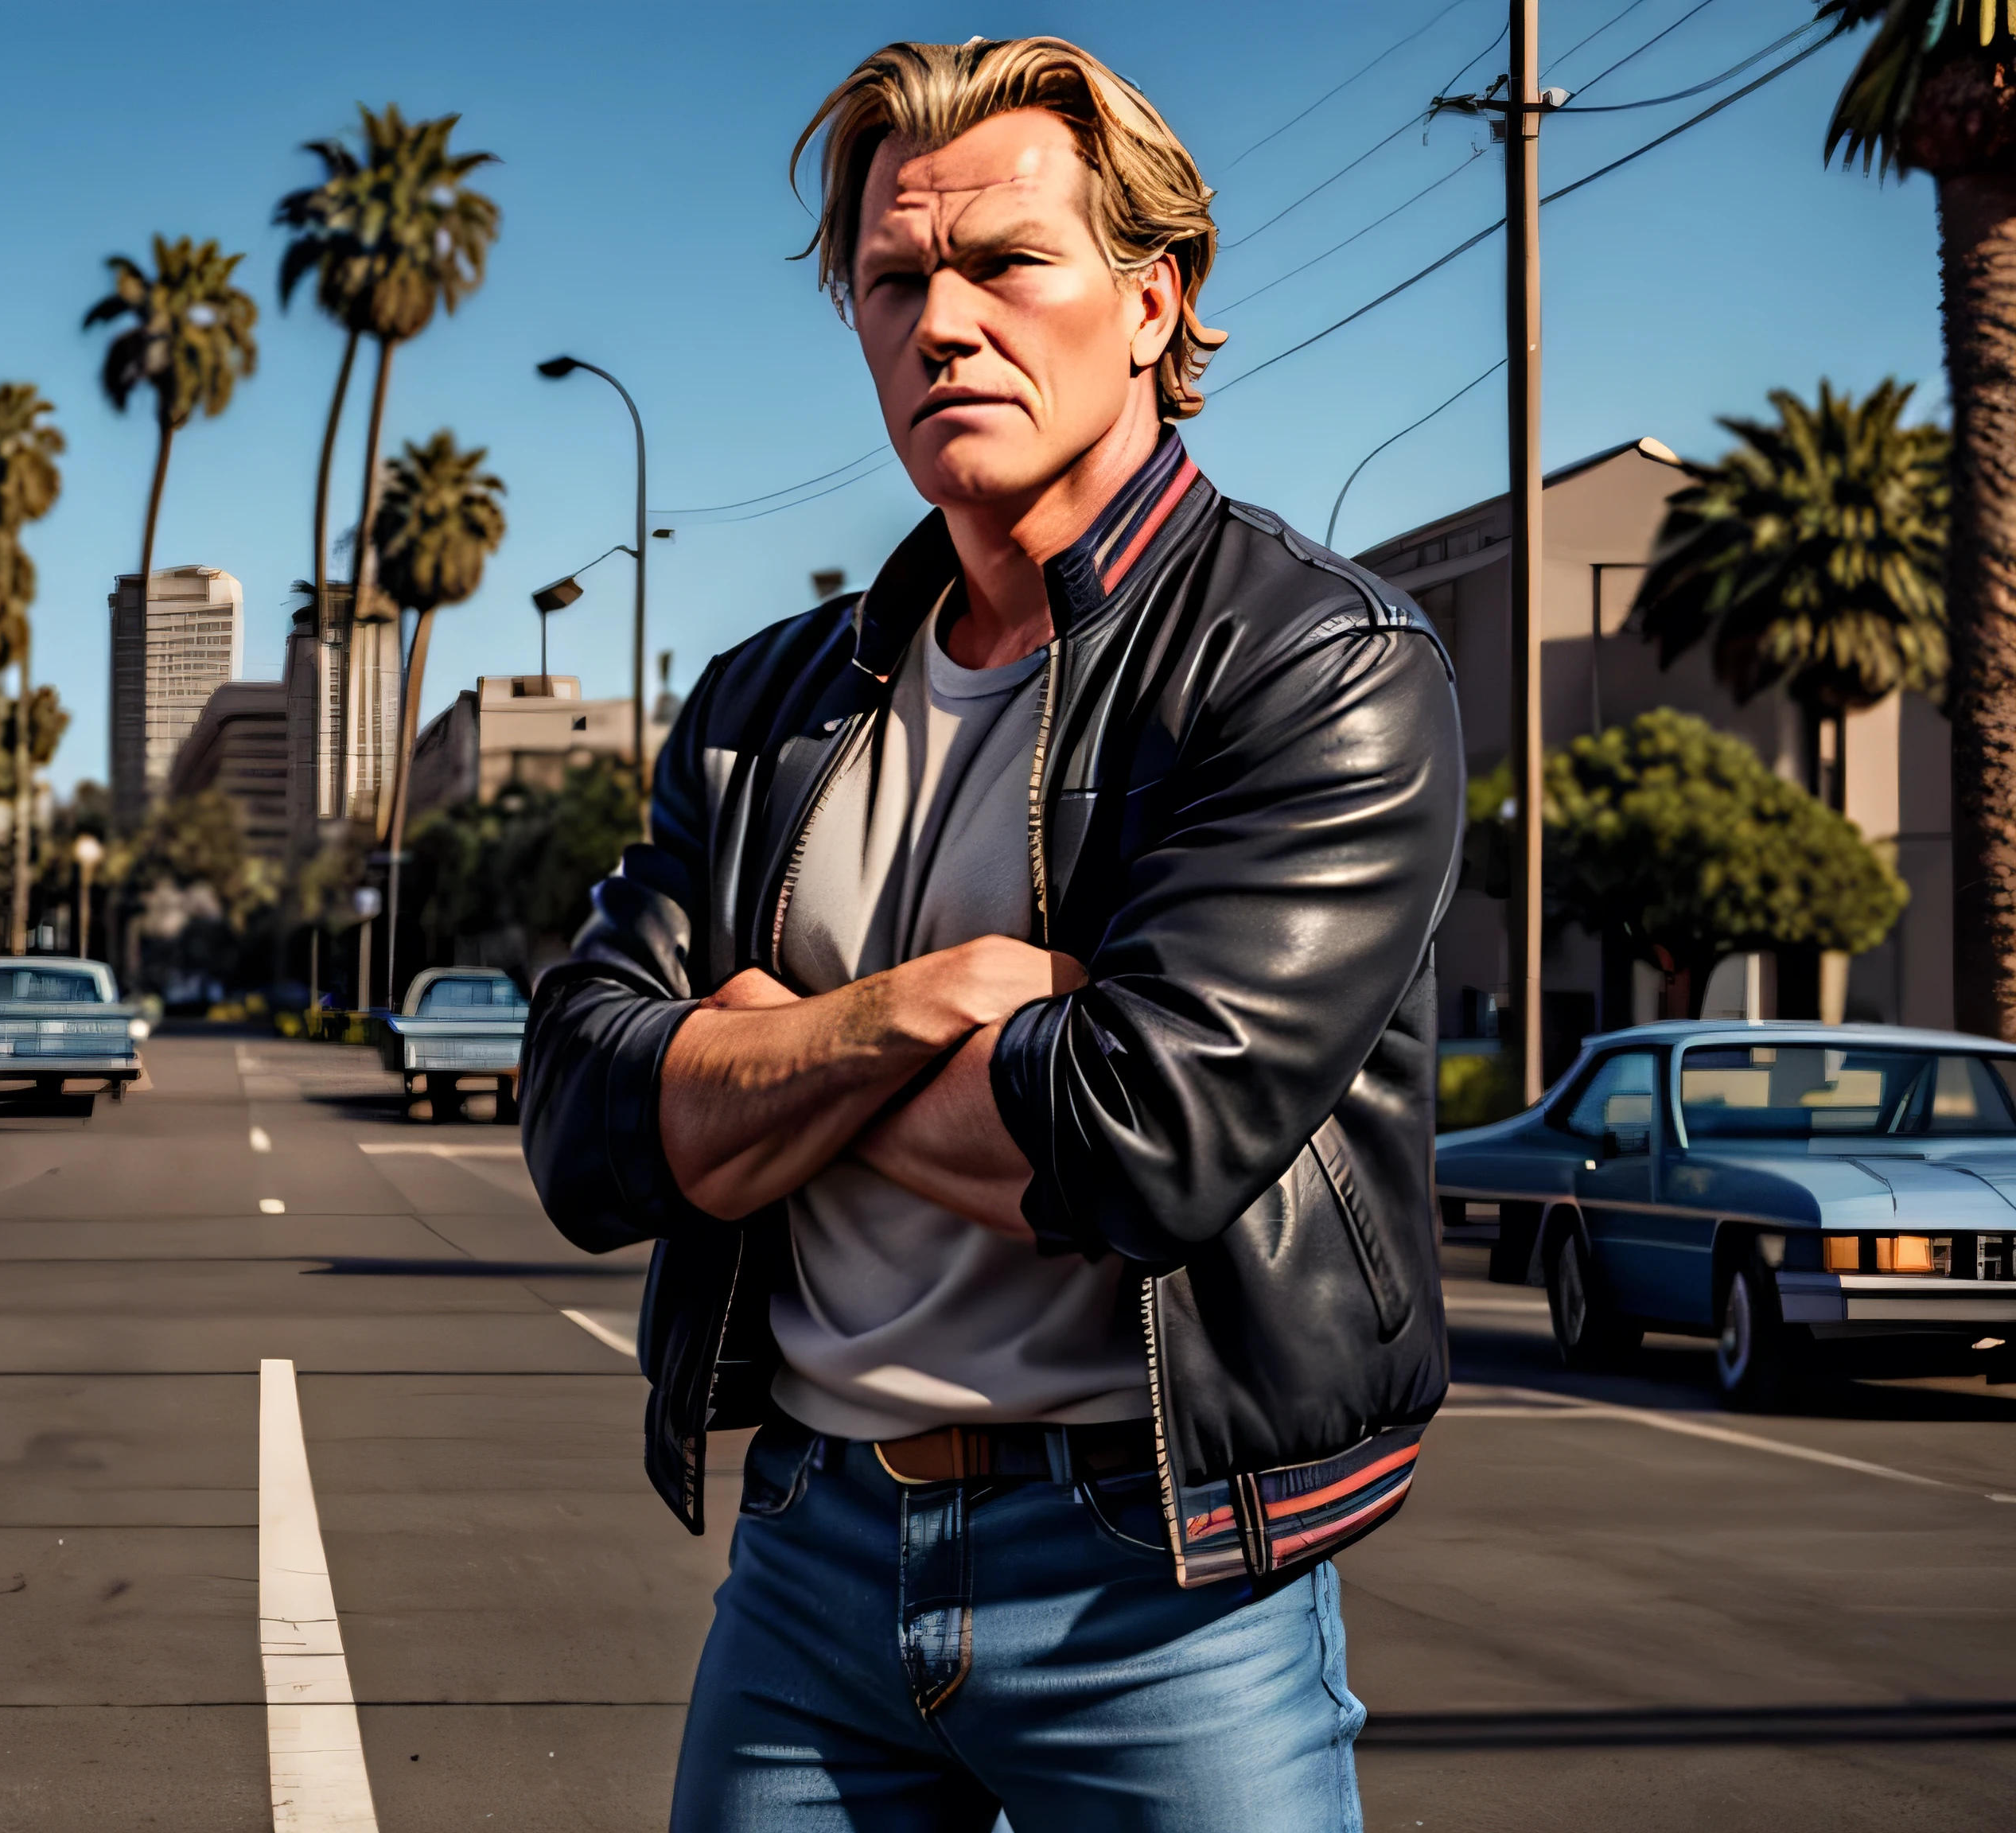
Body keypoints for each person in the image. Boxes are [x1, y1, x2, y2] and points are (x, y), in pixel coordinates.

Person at [521, 38, 1461, 1831]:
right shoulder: (760, 707)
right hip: (807, 1558)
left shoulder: (1311, 666)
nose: (941, 321)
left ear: (1148, 298)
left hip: (1162, 1588)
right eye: (893, 280)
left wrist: (754, 1058)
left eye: (1004, 264)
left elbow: (1137, 1142)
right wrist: (935, 1007)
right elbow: (579, 1121)